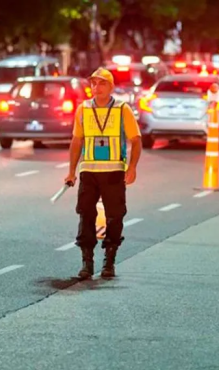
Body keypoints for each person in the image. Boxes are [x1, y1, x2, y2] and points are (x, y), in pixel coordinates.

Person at [64, 67, 141, 279]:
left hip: (114, 171)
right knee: (86, 214)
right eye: (93, 83)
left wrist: (132, 167)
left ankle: (110, 260)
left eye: (101, 83)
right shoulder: (83, 109)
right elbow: (77, 140)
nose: (96, 88)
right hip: (89, 171)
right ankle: (87, 263)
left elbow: (136, 140)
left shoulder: (122, 109)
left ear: (111, 87)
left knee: (114, 217)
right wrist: (71, 171)